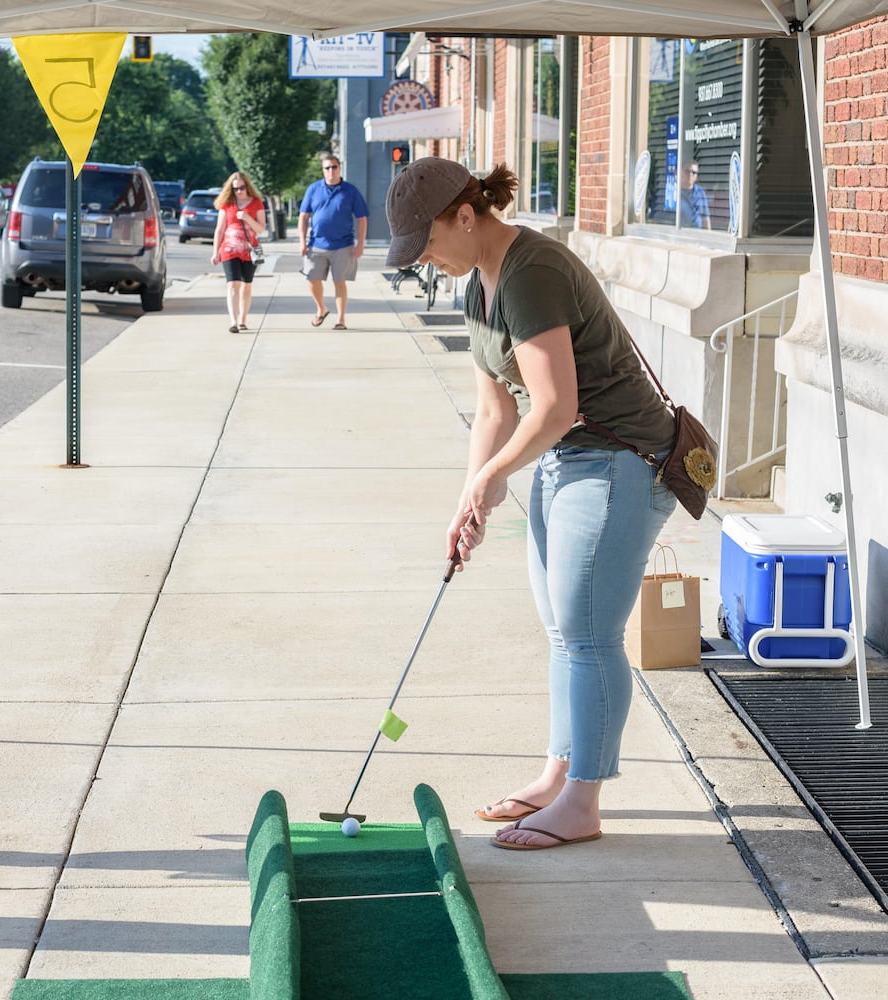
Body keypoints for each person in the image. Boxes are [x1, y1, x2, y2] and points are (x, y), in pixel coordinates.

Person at [384, 158, 677, 851]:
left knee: (588, 633)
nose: (424, 258)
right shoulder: (478, 288)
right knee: (561, 631)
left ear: (465, 213)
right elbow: (493, 410)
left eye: (426, 242)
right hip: (564, 458)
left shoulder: (532, 271)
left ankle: (584, 800)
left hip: (616, 458)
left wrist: (496, 477)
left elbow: (554, 406)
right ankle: (558, 774)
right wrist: (470, 494)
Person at [298, 154, 368, 330]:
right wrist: (302, 241)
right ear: (323, 170)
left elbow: (362, 218)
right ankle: (321, 309)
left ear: (340, 168)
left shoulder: (350, 191)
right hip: (316, 244)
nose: (331, 171)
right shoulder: (313, 189)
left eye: (334, 167)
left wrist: (360, 243)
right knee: (312, 279)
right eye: (327, 168)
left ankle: (341, 320)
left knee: (339, 281)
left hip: (343, 245)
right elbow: (303, 217)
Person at [210, 171, 266, 333]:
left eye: (242, 188)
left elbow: (261, 229)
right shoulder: (227, 205)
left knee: (246, 285)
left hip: (249, 250)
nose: (239, 192)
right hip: (229, 249)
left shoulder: (256, 203)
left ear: (247, 187)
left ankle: (243, 319)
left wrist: (248, 218)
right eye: (235, 189)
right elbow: (219, 230)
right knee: (232, 284)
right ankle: (233, 321)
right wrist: (215, 252)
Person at [678, 159, 711, 229]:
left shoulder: (700, 192)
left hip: (697, 235)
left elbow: (706, 218)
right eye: (687, 171)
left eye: (694, 172)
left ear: (696, 176)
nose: (690, 175)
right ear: (680, 173)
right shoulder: (674, 192)